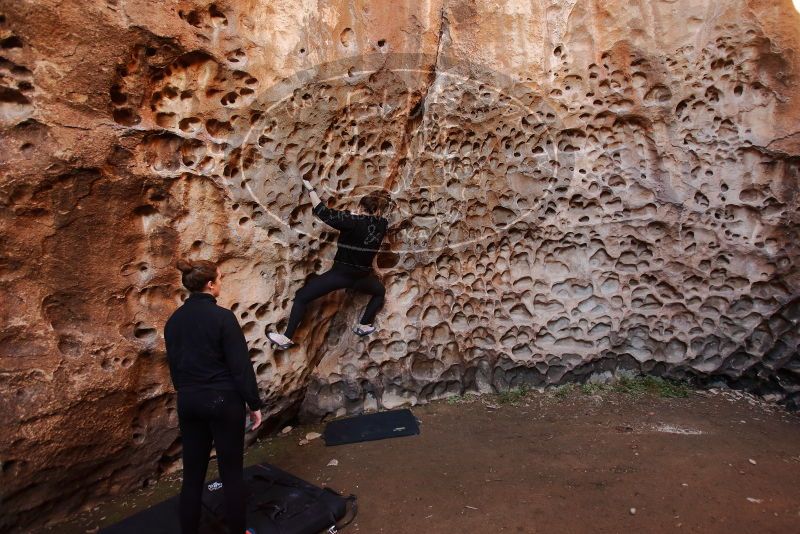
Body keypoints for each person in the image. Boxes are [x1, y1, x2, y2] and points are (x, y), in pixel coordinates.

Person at [164, 259, 263, 534]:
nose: (221, 283)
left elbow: (175, 365)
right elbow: (240, 366)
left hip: (189, 400)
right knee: (231, 474)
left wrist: (187, 394)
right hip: (222, 400)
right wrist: (253, 404)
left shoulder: (173, 322)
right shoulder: (222, 318)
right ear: (210, 284)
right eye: (220, 278)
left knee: (192, 476)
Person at [267, 180, 391, 350]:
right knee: (379, 291)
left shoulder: (350, 221)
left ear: (360, 207)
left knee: (302, 296)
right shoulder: (382, 225)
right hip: (361, 278)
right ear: (376, 211)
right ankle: (364, 324)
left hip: (340, 276)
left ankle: (287, 338)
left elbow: (322, 212)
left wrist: (310, 189)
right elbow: (373, 219)